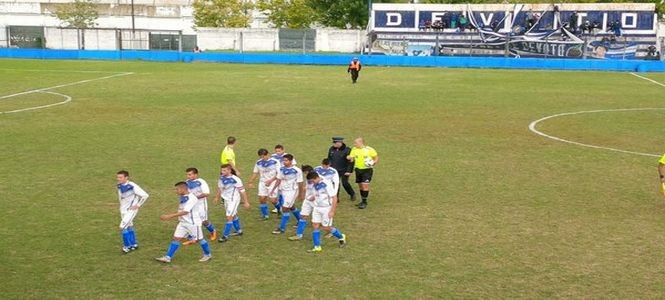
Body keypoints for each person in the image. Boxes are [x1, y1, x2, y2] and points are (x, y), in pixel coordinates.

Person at [155, 181, 211, 263]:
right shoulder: (184, 196)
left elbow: (186, 211)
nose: (176, 191)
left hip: (193, 223)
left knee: (200, 239)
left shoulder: (192, 198)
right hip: (183, 223)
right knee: (176, 238)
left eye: (177, 189)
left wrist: (169, 216)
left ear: (183, 189)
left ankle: (208, 254)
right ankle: (168, 257)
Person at [305, 172, 347, 253]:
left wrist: (332, 211)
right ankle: (317, 246)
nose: (312, 183)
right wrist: (312, 197)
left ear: (316, 178)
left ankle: (341, 236)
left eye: (312, 181)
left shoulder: (327, 184)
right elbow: (317, 194)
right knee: (315, 225)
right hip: (317, 207)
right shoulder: (314, 184)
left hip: (326, 208)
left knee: (326, 227)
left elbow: (334, 198)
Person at [214, 164, 250, 243]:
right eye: (222, 170)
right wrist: (217, 197)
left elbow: (242, 191)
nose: (222, 172)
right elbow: (220, 188)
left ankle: (225, 236)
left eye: (224, 170)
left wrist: (246, 202)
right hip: (226, 199)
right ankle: (239, 231)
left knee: (229, 217)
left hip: (233, 199)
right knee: (233, 215)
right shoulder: (221, 178)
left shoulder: (235, 179)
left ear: (229, 170)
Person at [116, 170, 149, 254]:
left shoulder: (132, 186)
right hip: (123, 210)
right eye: (118, 177)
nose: (118, 179)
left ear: (126, 177)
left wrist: (138, 205)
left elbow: (145, 195)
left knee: (122, 227)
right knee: (129, 226)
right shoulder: (119, 185)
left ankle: (127, 247)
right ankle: (134, 244)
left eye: (120, 177)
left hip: (130, 211)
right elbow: (121, 197)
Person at [271, 154, 304, 235]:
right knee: (291, 206)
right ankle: (301, 220)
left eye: (286, 160)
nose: (284, 162)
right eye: (284, 160)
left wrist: (300, 194)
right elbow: (278, 180)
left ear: (291, 161)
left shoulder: (297, 170)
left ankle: (281, 228)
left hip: (292, 191)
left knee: (285, 208)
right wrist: (273, 189)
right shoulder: (281, 169)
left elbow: (300, 183)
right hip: (284, 190)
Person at [183, 168, 217, 245]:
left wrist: (195, 198)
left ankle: (213, 231)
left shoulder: (201, 182)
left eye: (190, 174)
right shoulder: (186, 182)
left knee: (204, 221)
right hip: (191, 205)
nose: (188, 176)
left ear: (195, 174)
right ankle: (193, 236)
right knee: (191, 220)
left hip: (201, 204)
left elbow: (206, 193)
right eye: (187, 174)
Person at [247, 148, 281, 220]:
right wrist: (250, 181)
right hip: (262, 182)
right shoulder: (258, 163)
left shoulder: (275, 162)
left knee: (273, 200)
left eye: (263, 156)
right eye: (261, 156)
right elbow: (255, 173)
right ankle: (265, 215)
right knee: (262, 199)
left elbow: (279, 173)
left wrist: (270, 180)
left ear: (267, 154)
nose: (262, 158)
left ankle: (279, 209)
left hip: (273, 182)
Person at [347, 137, 379, 209]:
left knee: (365, 186)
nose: (354, 144)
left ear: (361, 143)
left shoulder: (369, 150)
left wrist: (373, 163)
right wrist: (349, 157)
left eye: (356, 143)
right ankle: (362, 200)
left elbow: (376, 157)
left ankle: (364, 202)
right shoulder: (354, 149)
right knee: (360, 186)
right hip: (358, 170)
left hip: (367, 170)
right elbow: (352, 159)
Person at [288, 165, 315, 241]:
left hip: (317, 202)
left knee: (322, 219)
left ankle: (331, 232)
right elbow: (307, 186)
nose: (305, 175)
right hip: (308, 201)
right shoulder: (308, 178)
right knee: (303, 216)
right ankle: (299, 235)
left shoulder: (317, 178)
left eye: (305, 173)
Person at [270, 144, 297, 214]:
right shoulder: (273, 156)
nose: (277, 152)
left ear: (283, 150)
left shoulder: (288, 156)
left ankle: (283, 205)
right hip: (277, 175)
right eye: (276, 151)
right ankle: (280, 206)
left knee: (282, 191)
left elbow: (293, 165)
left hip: (285, 176)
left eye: (279, 151)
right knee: (279, 190)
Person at [327, 137, 356, 201]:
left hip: (344, 170)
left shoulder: (347, 150)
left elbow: (351, 162)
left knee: (345, 183)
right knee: (335, 183)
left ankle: (352, 194)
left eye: (335, 142)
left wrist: (349, 171)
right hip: (334, 170)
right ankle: (336, 198)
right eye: (334, 142)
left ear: (340, 143)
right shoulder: (331, 149)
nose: (334, 144)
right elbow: (329, 159)